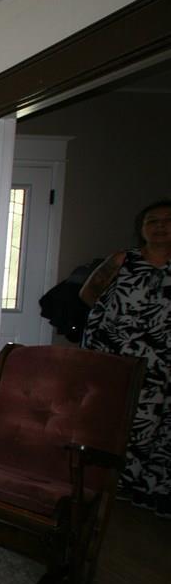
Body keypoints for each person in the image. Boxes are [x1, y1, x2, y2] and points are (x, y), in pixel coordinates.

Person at [80, 199, 171, 516]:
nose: (160, 226)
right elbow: (88, 294)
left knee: (156, 426)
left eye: (166, 220)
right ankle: (99, 486)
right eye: (152, 221)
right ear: (142, 229)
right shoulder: (122, 260)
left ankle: (143, 493)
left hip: (163, 363)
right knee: (109, 420)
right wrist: (116, 326)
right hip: (118, 356)